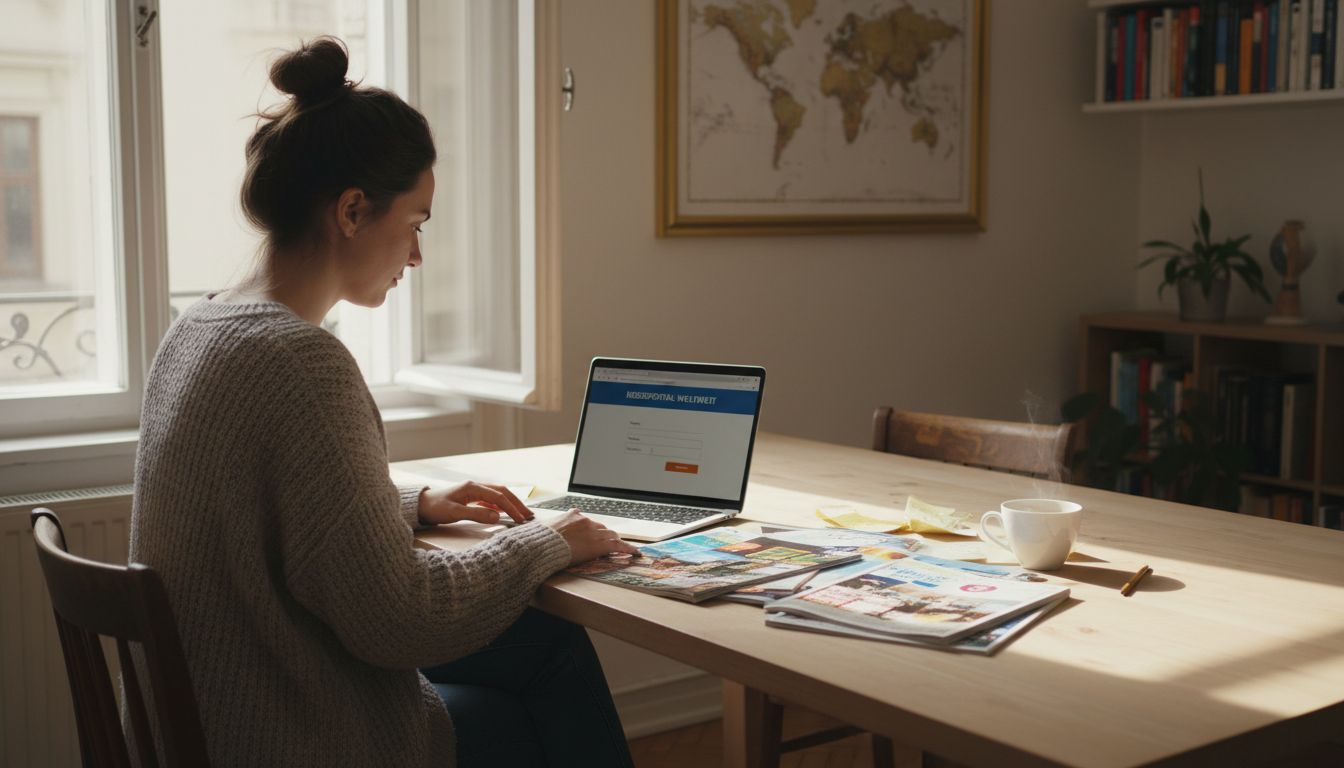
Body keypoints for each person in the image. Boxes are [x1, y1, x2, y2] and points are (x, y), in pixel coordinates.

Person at [129, 36, 639, 767]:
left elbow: (255, 515)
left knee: (542, 643)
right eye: (417, 224)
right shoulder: (299, 360)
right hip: (282, 732)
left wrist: (411, 505)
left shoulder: (200, 326)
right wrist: (547, 541)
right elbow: (397, 621)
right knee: (529, 693)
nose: (417, 256)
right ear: (352, 210)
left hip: (213, 710)